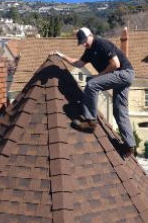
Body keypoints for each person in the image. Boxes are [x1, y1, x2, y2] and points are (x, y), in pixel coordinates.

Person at [56, 27, 136, 157]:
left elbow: (115, 64)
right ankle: (129, 146)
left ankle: (90, 121)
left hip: (124, 73)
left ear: (90, 35)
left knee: (92, 84)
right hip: (123, 76)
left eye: (84, 41)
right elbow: (78, 63)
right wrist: (61, 56)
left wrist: (99, 76)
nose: (84, 44)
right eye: (81, 42)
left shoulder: (101, 43)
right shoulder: (89, 51)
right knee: (119, 111)